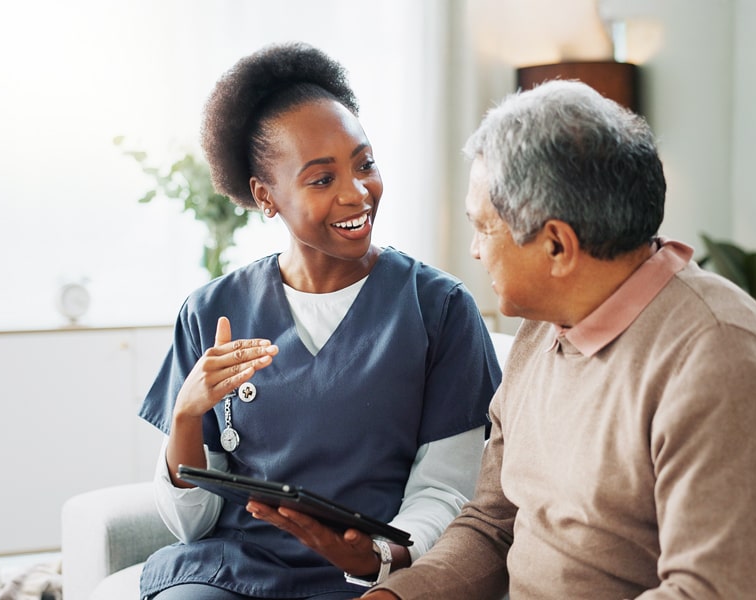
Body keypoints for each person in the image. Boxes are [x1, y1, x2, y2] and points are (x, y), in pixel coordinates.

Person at [360, 80, 756, 599]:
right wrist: (397, 594)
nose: (474, 250)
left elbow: (707, 592)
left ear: (557, 245)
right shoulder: (543, 326)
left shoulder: (720, 358)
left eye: (482, 228)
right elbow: (493, 524)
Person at [136, 42, 502, 600]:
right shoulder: (211, 312)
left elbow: (448, 490)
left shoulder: (440, 308)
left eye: (365, 164)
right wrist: (186, 417)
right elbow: (190, 521)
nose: (358, 194)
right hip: (234, 575)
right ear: (266, 195)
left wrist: (382, 554)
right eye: (322, 179)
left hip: (375, 576)